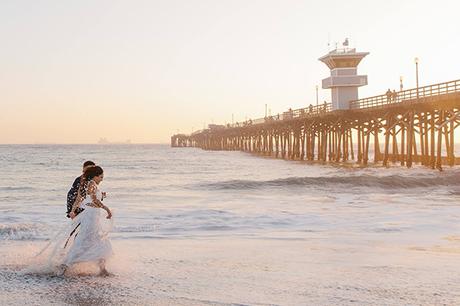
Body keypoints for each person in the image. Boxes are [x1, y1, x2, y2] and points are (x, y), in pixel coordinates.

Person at [59, 166, 113, 276]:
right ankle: (65, 264)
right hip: (92, 217)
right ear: (95, 176)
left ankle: (102, 269)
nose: (102, 179)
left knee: (94, 241)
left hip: (91, 215)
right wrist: (107, 209)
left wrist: (73, 211)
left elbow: (79, 199)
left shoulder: (86, 184)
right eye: (101, 177)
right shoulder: (92, 184)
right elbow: (94, 200)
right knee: (91, 241)